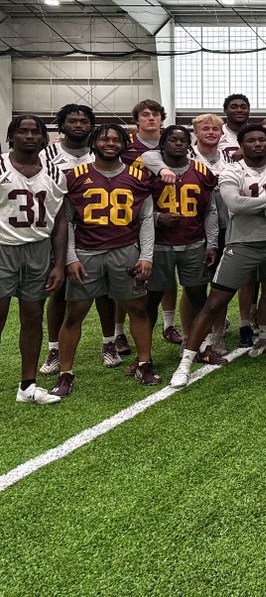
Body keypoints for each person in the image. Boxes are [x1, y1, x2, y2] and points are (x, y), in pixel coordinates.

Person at [169, 126, 266, 385]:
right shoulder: (231, 169)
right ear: (242, 145)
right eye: (251, 141)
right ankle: (186, 361)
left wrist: (260, 208)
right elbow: (233, 204)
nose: (257, 144)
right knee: (214, 303)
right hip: (242, 244)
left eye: (261, 140)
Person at [55, 124, 156, 396]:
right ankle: (65, 373)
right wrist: (70, 257)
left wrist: (146, 255)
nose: (110, 143)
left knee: (137, 309)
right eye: (104, 139)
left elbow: (146, 219)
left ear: (124, 144)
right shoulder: (74, 176)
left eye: (115, 139)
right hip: (87, 253)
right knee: (74, 313)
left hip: (126, 250)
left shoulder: (137, 176)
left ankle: (144, 363)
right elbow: (67, 221)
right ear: (94, 143)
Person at [1, 116, 69, 405]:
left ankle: (27, 386)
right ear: (11, 136)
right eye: (22, 131)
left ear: (44, 139)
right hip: (3, 247)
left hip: (39, 249)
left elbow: (61, 221)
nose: (29, 136)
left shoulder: (55, 173)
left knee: (32, 317)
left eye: (35, 132)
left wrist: (59, 263)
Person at [143, 125, 218, 349]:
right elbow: (137, 208)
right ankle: (144, 353)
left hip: (193, 243)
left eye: (182, 140)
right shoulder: (148, 170)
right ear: (163, 144)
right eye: (172, 140)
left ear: (189, 145)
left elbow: (210, 211)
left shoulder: (202, 172)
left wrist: (212, 244)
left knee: (197, 295)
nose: (178, 144)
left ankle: (199, 345)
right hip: (159, 245)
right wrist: (158, 217)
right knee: (151, 300)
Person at [40, 104, 98, 376]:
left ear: (91, 126)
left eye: (83, 121)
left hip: (98, 233)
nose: (78, 125)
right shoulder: (46, 155)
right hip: (58, 232)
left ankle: (111, 341)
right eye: (72, 121)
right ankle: (54, 348)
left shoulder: (100, 153)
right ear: (61, 126)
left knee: (106, 294)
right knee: (59, 291)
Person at [123, 98, 165, 162]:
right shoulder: (125, 142)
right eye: (145, 115)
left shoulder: (171, 143)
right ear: (137, 120)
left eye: (155, 114)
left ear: (161, 120)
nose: (151, 118)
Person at [218, 94, 251, 161]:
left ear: (249, 110)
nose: (239, 110)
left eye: (243, 107)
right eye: (233, 107)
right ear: (225, 111)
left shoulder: (258, 133)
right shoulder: (216, 132)